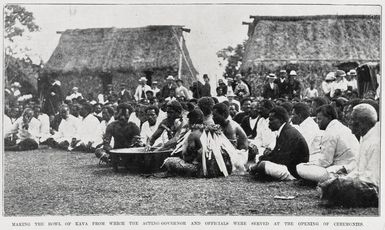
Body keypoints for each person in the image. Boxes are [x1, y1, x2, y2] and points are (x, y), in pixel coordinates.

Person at [319, 104, 379, 207]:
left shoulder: (376, 142)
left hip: (374, 188)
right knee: (330, 181)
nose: (349, 123)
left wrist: (342, 183)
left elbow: (372, 181)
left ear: (363, 123)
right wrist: (343, 178)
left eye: (351, 119)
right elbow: (358, 170)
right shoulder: (365, 137)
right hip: (364, 182)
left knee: (334, 186)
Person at [296, 105, 359, 183]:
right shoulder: (341, 127)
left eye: (319, 119)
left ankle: (335, 179)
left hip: (343, 169)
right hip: (353, 166)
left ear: (329, 118)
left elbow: (325, 161)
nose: (317, 122)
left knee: (300, 167)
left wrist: (309, 164)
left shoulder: (330, 132)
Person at [249, 106, 309, 181]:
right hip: (290, 167)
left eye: (271, 120)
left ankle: (254, 169)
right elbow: (277, 154)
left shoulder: (288, 133)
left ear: (280, 120)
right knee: (261, 161)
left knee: (262, 165)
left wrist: (263, 160)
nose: (269, 123)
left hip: (294, 171)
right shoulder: (284, 130)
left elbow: (282, 159)